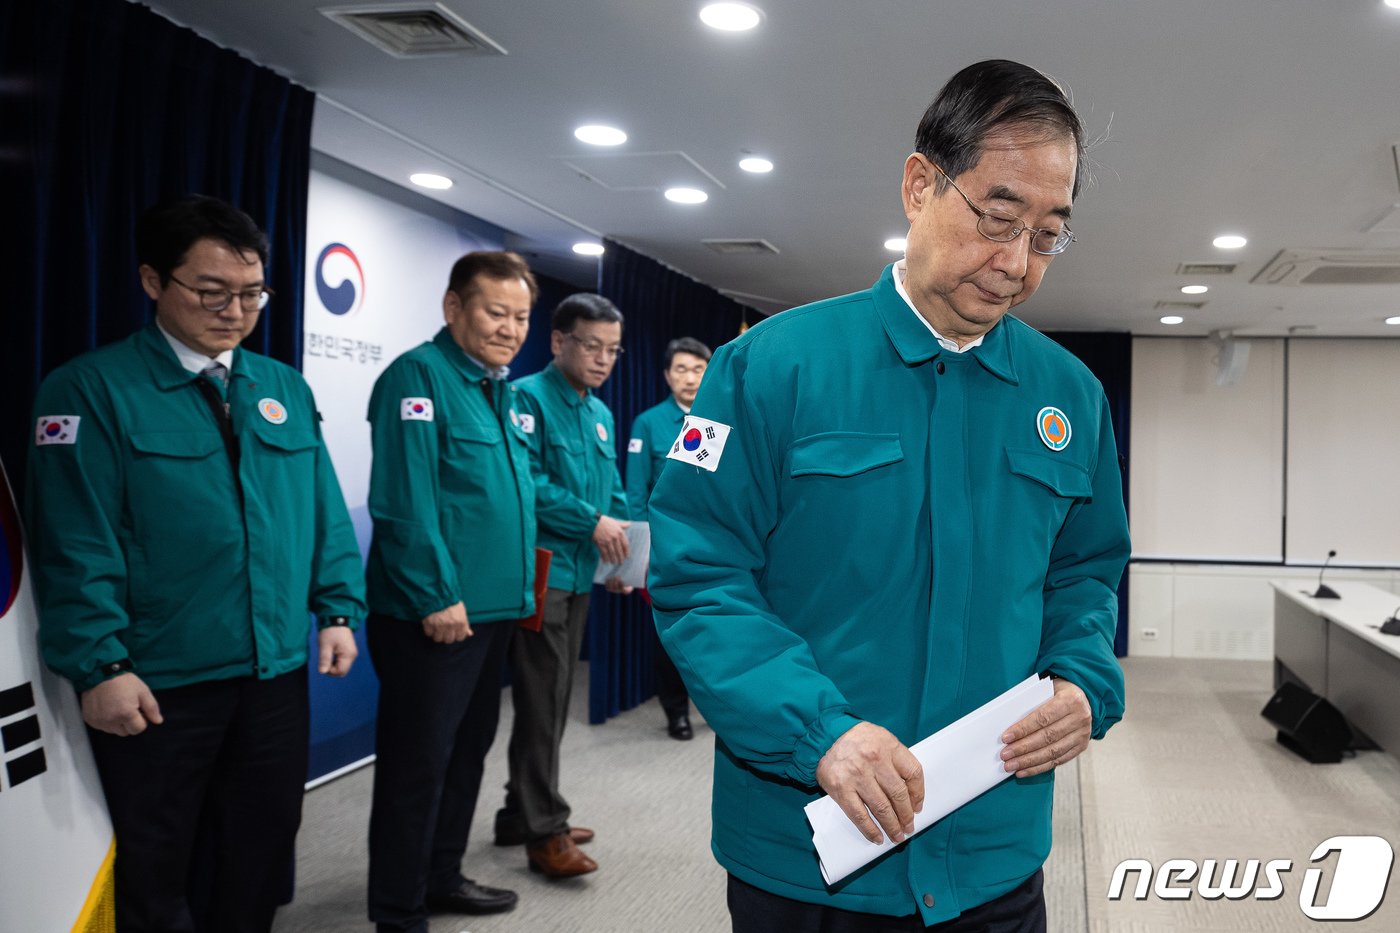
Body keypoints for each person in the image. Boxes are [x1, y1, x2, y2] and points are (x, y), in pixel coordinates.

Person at [648, 60, 1130, 932]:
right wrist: (818, 730)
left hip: (994, 856)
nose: (1016, 262)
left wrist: (1083, 682)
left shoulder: (1071, 397)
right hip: (810, 861)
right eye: (997, 216)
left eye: (1048, 235)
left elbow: (1085, 574)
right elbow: (700, 576)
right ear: (920, 185)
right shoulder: (767, 367)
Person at [24, 194, 366, 933]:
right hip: (159, 680)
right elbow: (74, 539)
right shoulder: (89, 389)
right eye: (211, 292)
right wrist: (100, 664)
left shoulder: (281, 387)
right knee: (158, 862)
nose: (235, 310)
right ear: (153, 281)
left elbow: (322, 509)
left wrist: (337, 607)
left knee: (260, 848)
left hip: (272, 672)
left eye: (251, 292)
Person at [362, 251, 539, 931]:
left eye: (521, 316)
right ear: (453, 307)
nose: (510, 328)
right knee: (417, 768)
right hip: (432, 615)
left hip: (491, 612)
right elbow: (404, 503)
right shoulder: (418, 377)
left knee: (466, 755)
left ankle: (441, 875)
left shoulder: (503, 392)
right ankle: (398, 909)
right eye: (496, 312)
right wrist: (436, 595)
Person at [494, 293, 631, 878]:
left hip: (582, 576)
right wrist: (592, 521)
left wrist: (624, 560)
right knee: (544, 703)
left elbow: (613, 492)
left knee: (549, 697)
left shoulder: (598, 412)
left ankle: (517, 813)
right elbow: (528, 484)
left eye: (613, 350)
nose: (603, 360)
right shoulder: (525, 399)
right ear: (558, 342)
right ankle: (544, 830)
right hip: (542, 573)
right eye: (592, 346)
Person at [624, 337, 711, 741]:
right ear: (666, 375)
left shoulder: (714, 420)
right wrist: (639, 555)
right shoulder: (649, 423)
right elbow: (636, 494)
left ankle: (716, 709)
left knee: (716, 630)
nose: (690, 378)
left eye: (697, 369)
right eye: (681, 369)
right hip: (663, 551)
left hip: (712, 548)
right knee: (669, 637)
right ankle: (676, 713)